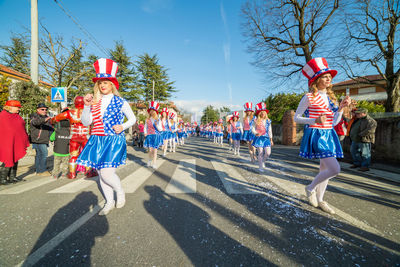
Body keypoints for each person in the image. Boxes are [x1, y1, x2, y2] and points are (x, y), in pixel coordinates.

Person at [76, 58, 136, 216]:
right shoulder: (93, 102)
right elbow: (85, 121)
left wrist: (122, 126)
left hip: (113, 140)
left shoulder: (120, 101)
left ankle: (120, 192)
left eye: (106, 82)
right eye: (100, 83)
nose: (103, 85)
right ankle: (109, 202)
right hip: (97, 139)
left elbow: (133, 119)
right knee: (101, 174)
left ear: (112, 85)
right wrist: (86, 106)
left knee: (107, 173)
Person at [295, 57, 350, 215]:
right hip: (317, 134)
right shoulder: (309, 97)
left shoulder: (330, 98)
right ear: (317, 79)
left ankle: (320, 200)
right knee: (335, 168)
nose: (329, 78)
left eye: (329, 76)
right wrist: (314, 119)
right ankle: (310, 188)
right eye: (325, 76)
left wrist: (340, 108)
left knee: (324, 169)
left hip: (329, 133)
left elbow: (333, 122)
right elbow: (296, 117)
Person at [51, 96, 95, 179]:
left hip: (74, 137)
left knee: (73, 156)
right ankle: (88, 172)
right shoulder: (90, 111)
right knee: (87, 155)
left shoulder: (69, 112)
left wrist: (52, 122)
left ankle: (72, 174)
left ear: (75, 103)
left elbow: (56, 118)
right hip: (86, 136)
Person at [0, 100, 30, 184]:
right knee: (8, 159)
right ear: (11, 107)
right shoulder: (2, 116)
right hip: (6, 142)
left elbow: (21, 127)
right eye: (17, 107)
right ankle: (2, 179)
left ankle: (12, 177)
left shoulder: (17, 116)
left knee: (15, 157)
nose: (19, 109)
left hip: (16, 142)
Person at [30, 103, 54, 176]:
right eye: (42, 109)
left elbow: (50, 128)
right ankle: (42, 170)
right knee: (43, 154)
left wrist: (51, 138)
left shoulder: (46, 117)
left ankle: (39, 170)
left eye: (46, 109)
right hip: (38, 139)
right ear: (38, 109)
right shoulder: (34, 116)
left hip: (44, 139)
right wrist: (45, 119)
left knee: (39, 155)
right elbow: (36, 123)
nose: (44, 111)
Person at [251, 102, 273, 172]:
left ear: (265, 113)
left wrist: (271, 139)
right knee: (260, 152)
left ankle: (263, 161)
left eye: (264, 112)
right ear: (259, 113)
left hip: (266, 138)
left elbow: (270, 130)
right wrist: (255, 133)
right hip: (259, 138)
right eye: (261, 112)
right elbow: (253, 128)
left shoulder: (268, 121)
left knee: (268, 153)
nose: (262, 113)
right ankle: (260, 167)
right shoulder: (256, 120)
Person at [143, 101, 163, 167]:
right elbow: (145, 127)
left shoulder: (158, 120)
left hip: (156, 136)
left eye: (153, 111)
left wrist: (157, 125)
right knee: (150, 151)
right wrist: (145, 133)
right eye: (150, 111)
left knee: (155, 151)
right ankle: (149, 160)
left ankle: (154, 163)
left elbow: (160, 129)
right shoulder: (147, 119)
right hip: (149, 136)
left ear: (155, 111)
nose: (151, 112)